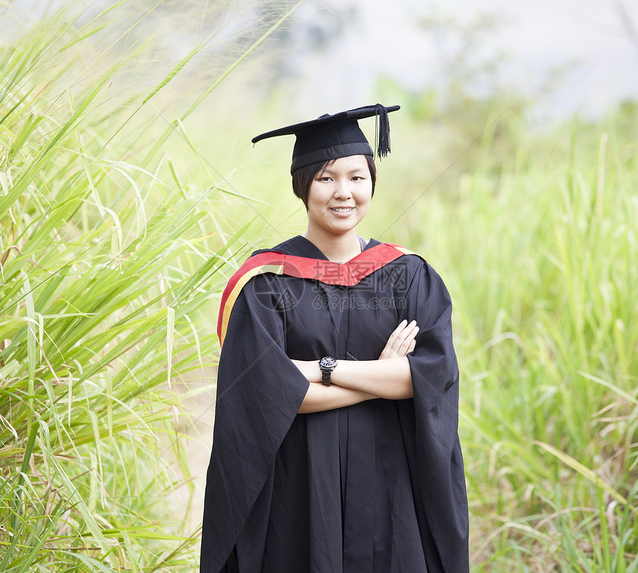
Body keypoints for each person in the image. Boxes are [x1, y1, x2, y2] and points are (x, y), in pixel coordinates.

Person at [200, 104, 469, 573]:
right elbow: (265, 394)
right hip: (300, 485)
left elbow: (429, 378)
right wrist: (381, 377)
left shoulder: (409, 275)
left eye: (357, 178)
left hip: (390, 482)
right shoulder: (266, 283)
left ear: (371, 184)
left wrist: (320, 371)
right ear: (302, 186)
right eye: (326, 179)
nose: (344, 193)